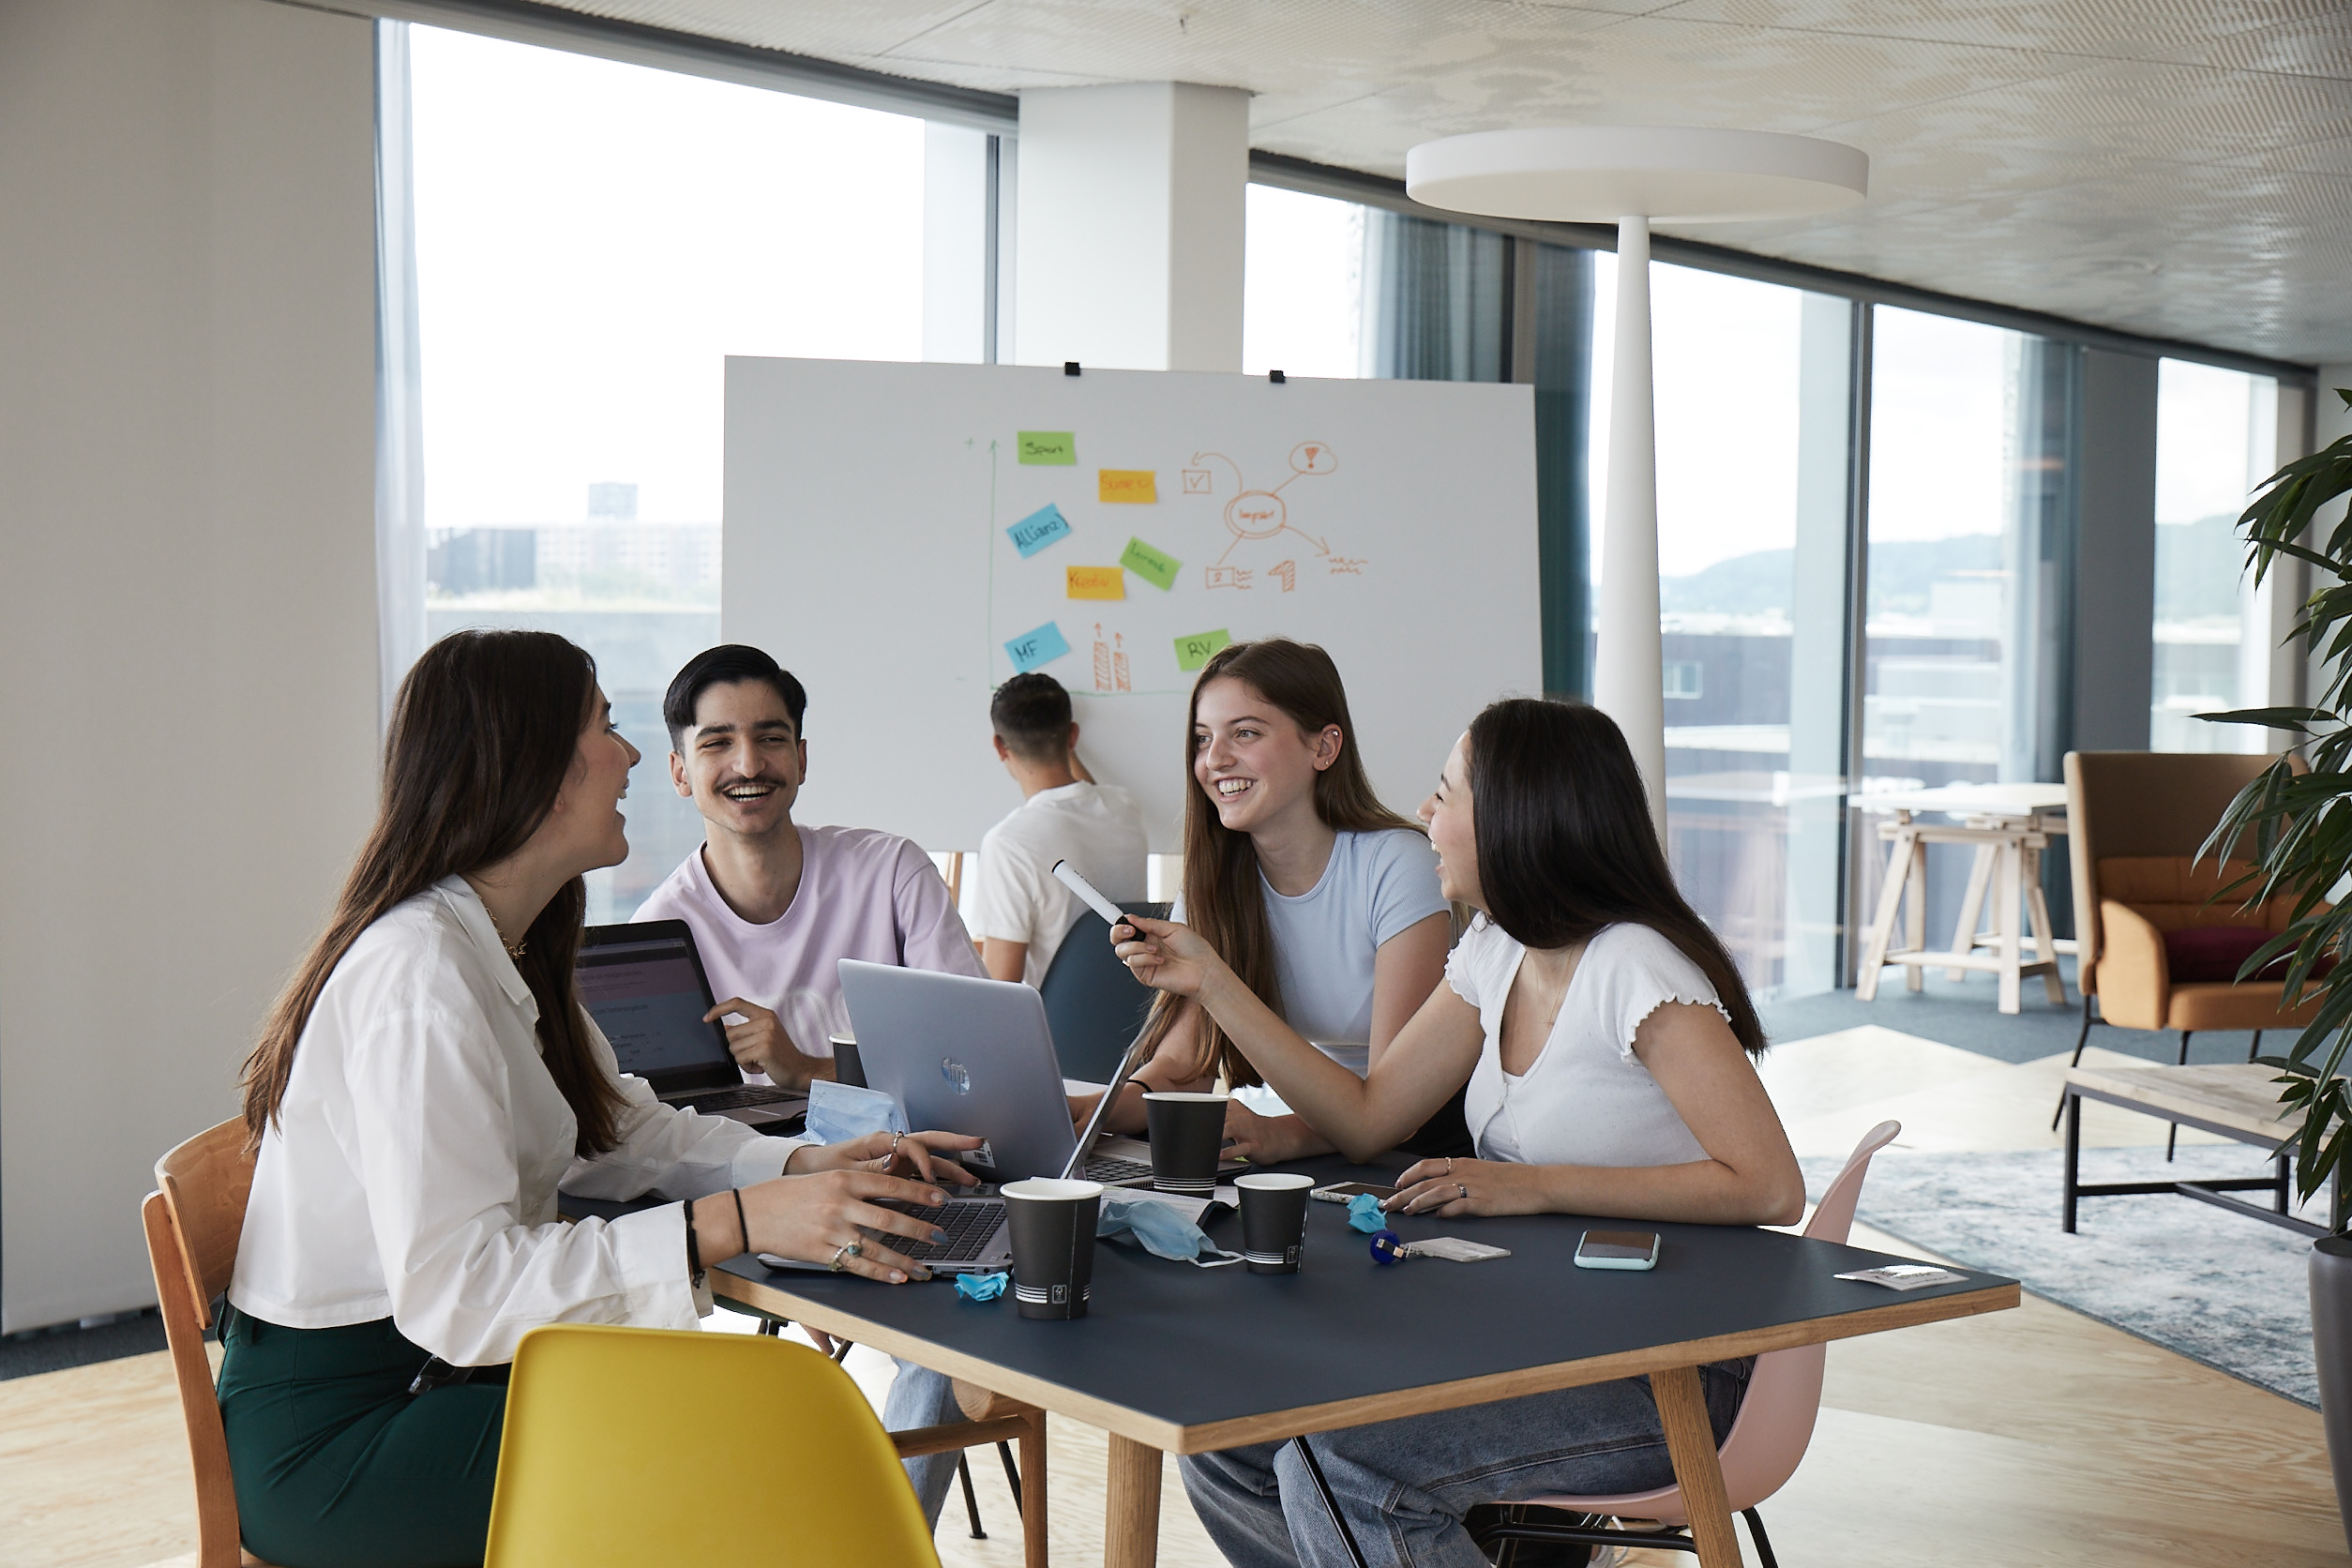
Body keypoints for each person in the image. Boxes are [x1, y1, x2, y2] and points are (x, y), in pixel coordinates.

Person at [220, 630, 979, 1568]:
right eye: (605, 728)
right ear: (530, 766)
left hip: (437, 1383)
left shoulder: (504, 943)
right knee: (764, 1446)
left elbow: (624, 1130)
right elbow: (462, 1293)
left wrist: (801, 1164)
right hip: (347, 1439)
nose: (627, 757)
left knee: (763, 1425)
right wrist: (737, 1220)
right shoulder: (419, 973)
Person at [1111, 698, 1806, 1568]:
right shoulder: (1496, 950)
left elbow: (1771, 1185)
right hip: (1548, 1336)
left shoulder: (1635, 966)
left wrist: (1538, 1183)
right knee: (1230, 1439)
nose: (1425, 817)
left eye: (1445, 796)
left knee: (1354, 1467)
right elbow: (1367, 1118)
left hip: (1673, 1371)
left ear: (1518, 818)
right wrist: (1210, 983)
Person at [1083, 638, 1464, 1163]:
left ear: (1324, 748)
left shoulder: (1399, 864)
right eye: (1201, 739)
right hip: (1282, 1127)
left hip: (1398, 1150)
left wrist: (1288, 1133)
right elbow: (1181, 1072)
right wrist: (1090, 1112)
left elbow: (1395, 1105)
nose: (1214, 759)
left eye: (1245, 733)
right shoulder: (1212, 882)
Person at [635, 644, 987, 1091]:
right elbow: (663, 1126)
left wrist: (805, 1070)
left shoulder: (893, 874)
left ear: (801, 760)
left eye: (770, 738)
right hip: (755, 1160)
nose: (748, 764)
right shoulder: (658, 932)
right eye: (718, 743)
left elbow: (975, 1063)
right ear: (680, 773)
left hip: (904, 1156)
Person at [967, 671, 1149, 988]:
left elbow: (999, 988)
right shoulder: (1124, 809)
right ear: (1073, 736)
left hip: (1051, 1033)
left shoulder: (1009, 843)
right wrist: (1063, 742)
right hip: (1133, 1020)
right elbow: (1087, 793)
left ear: (999, 747)